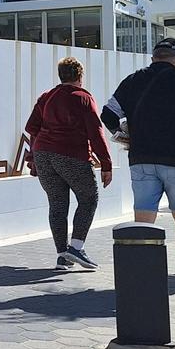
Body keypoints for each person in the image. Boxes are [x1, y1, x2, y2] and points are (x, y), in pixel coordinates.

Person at [101, 37, 175, 289]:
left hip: (141, 160)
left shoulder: (132, 81)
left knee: (143, 221)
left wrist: (124, 137)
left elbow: (107, 114)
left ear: (154, 57)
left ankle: (141, 278)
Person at [24, 57, 113, 271]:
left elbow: (32, 128)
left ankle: (62, 256)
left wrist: (33, 159)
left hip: (43, 154)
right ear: (80, 76)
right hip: (70, 153)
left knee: (57, 203)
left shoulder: (46, 97)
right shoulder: (83, 98)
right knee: (89, 198)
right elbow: (95, 131)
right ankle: (76, 247)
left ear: (60, 74)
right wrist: (106, 163)